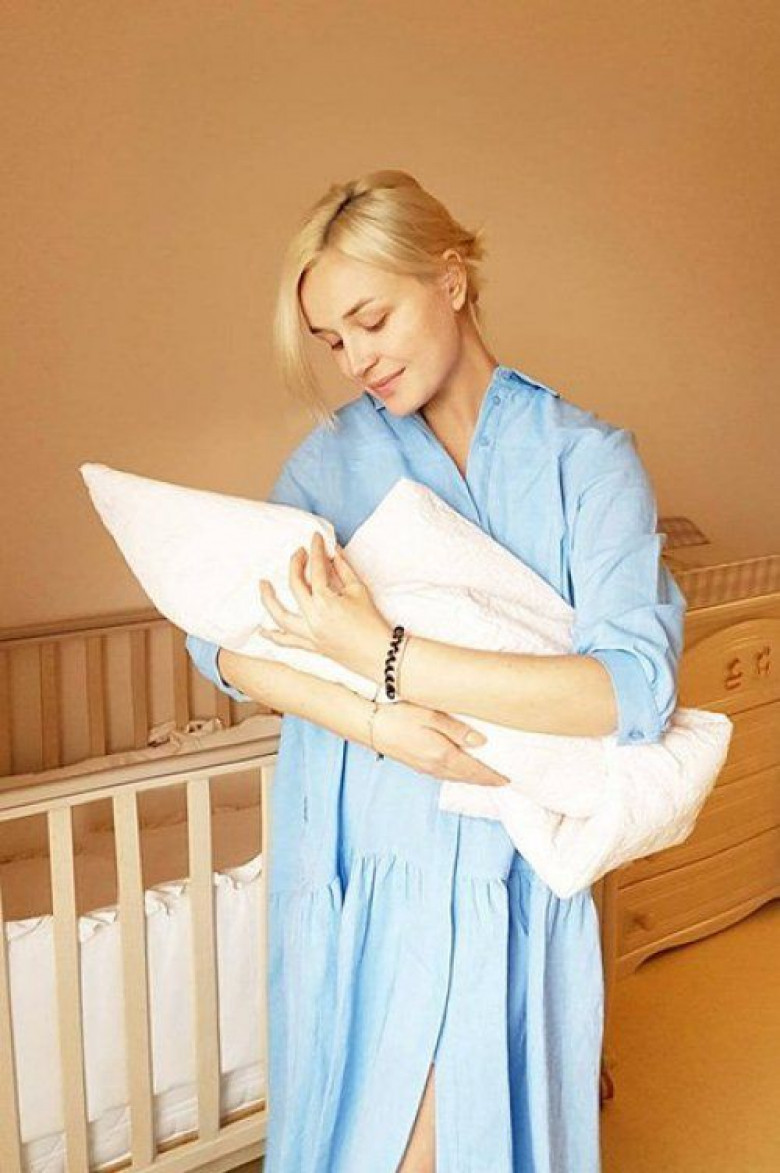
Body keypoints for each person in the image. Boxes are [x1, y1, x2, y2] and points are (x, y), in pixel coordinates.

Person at [186, 169, 686, 1172]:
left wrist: (382, 656)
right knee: (366, 1134)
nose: (356, 359)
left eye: (370, 319)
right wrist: (379, 721)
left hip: (508, 861)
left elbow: (631, 689)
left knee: (478, 1131)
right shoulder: (330, 464)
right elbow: (221, 641)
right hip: (357, 849)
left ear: (451, 280)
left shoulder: (585, 462)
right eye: (332, 341)